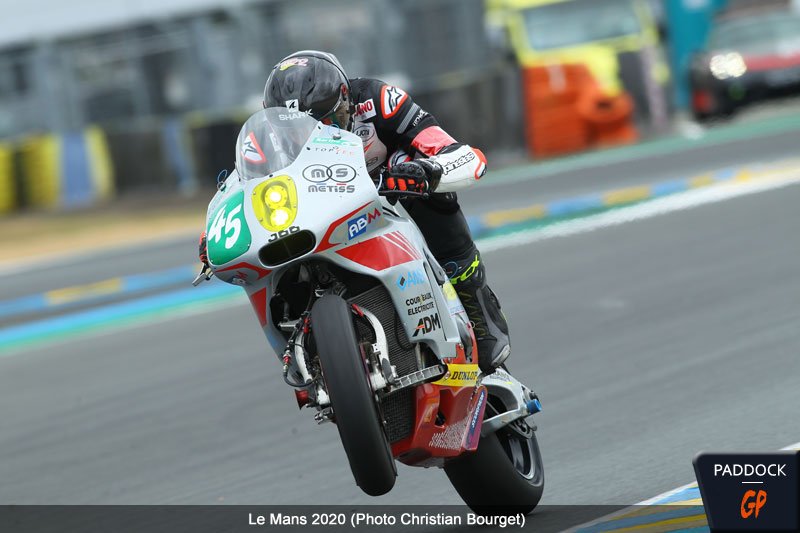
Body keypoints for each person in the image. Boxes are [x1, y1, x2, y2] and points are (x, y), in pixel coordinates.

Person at [204, 50, 510, 374]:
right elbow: (241, 185)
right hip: (321, 210)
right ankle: (304, 350)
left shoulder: (379, 100)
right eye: (296, 129)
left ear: (346, 100)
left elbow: (460, 153)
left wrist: (428, 171)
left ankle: (472, 304)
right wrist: (213, 232)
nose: (313, 133)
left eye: (327, 121)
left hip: (387, 191)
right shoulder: (263, 138)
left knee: (422, 184)